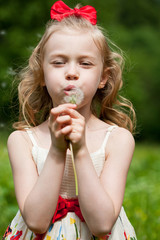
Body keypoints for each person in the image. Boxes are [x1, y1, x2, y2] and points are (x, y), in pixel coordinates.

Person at [3, 1, 137, 239]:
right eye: (58, 62)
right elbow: (36, 221)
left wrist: (81, 150)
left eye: (85, 63)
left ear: (103, 78)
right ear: (42, 74)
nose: (72, 72)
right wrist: (56, 149)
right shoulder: (22, 142)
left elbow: (102, 225)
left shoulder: (118, 140)